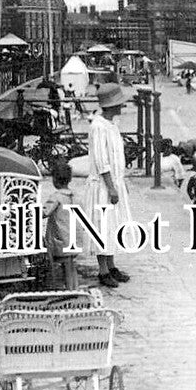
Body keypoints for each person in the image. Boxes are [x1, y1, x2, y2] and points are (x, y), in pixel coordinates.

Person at [83, 85, 133, 288]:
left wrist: (121, 182)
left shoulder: (111, 124)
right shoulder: (98, 126)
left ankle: (112, 265)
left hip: (115, 182)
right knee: (102, 225)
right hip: (103, 185)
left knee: (113, 225)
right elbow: (102, 161)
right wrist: (111, 187)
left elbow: (116, 157)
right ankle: (103, 269)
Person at [42, 160, 80, 290]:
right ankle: (74, 288)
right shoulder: (74, 196)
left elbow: (44, 212)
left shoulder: (56, 197)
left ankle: (69, 291)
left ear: (55, 180)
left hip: (61, 240)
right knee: (71, 266)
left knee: (64, 267)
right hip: (74, 238)